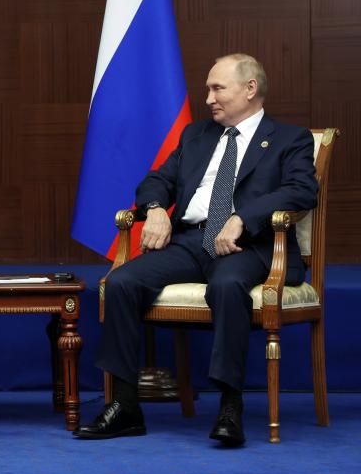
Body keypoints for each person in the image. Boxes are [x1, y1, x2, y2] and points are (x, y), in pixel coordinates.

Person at [74, 54, 318, 446]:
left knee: (225, 286)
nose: (208, 98)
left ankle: (229, 406)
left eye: (217, 88)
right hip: (191, 242)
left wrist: (242, 217)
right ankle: (124, 405)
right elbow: (156, 180)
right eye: (208, 88)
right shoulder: (196, 136)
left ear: (250, 89)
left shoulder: (290, 138)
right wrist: (154, 210)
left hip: (250, 245)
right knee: (121, 281)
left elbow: (302, 190)